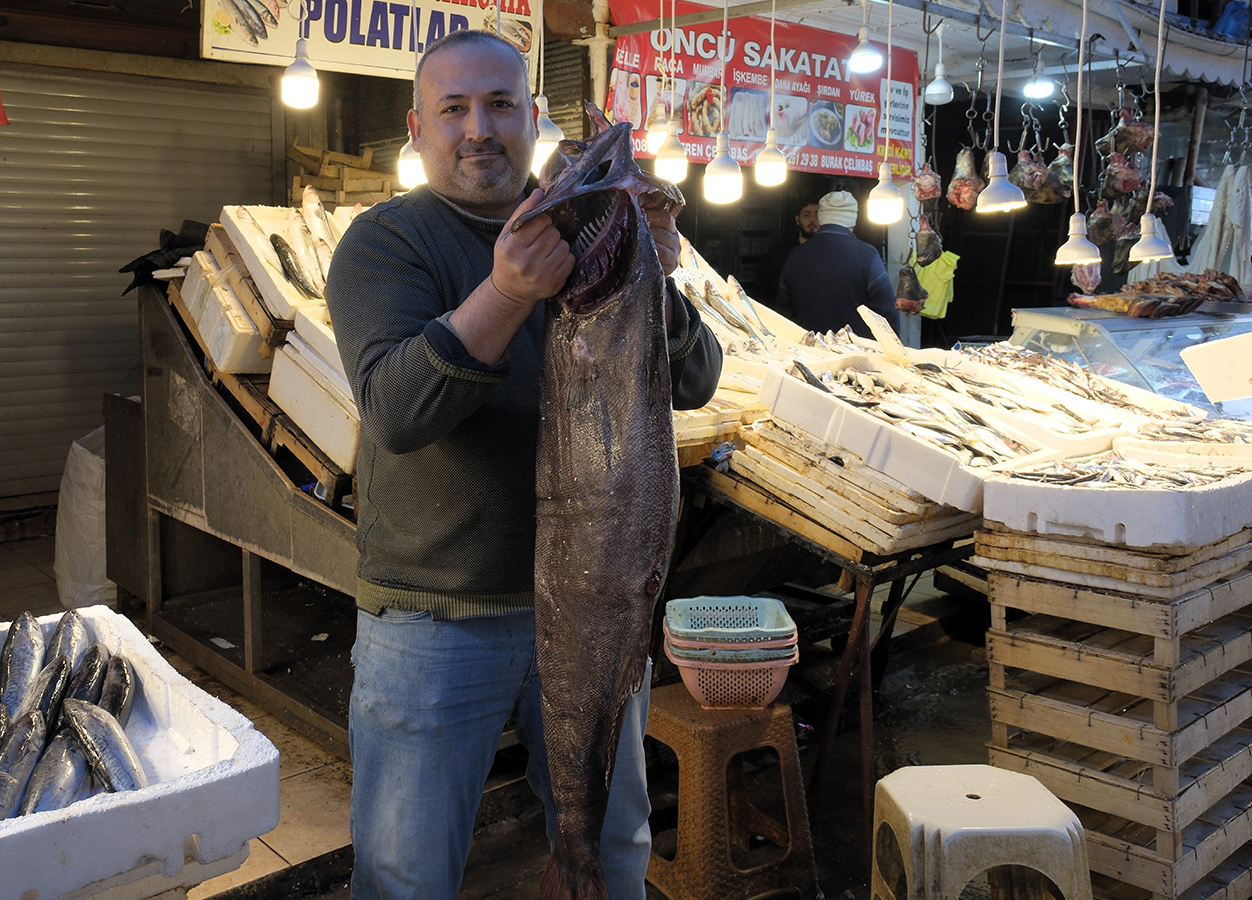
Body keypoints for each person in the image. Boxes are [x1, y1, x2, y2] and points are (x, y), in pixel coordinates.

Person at [323, 28, 723, 900]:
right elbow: (394, 412)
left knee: (612, 847)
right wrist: (506, 292)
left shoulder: (584, 221)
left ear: (532, 117)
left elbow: (693, 380)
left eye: (501, 105)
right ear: (417, 126)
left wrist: (656, 271)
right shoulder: (385, 243)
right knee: (404, 872)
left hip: (598, 614)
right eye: (454, 108)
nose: (479, 128)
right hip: (435, 623)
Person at [777, 190, 900, 335]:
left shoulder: (796, 255)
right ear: (853, 221)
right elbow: (887, 313)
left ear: (821, 218)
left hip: (809, 352)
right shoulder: (868, 255)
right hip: (857, 353)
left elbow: (782, 312)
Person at [760, 198, 820, 307]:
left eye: (817, 215)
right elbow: (762, 291)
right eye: (807, 215)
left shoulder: (827, 254)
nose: (812, 220)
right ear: (797, 220)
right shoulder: (778, 253)